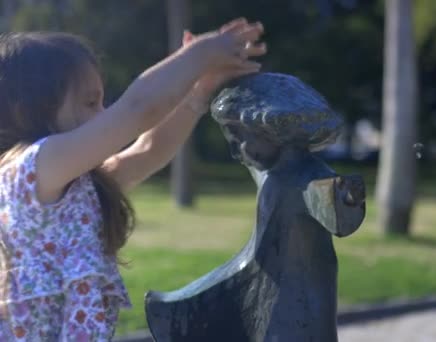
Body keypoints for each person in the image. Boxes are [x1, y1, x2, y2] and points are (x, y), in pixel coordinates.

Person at [0, 17, 266, 341]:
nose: (103, 114)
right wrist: (201, 55)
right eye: (89, 102)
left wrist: (198, 92)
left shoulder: (77, 185)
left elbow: (150, 149)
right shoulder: (33, 168)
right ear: (28, 108)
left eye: (102, 101)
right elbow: (138, 109)